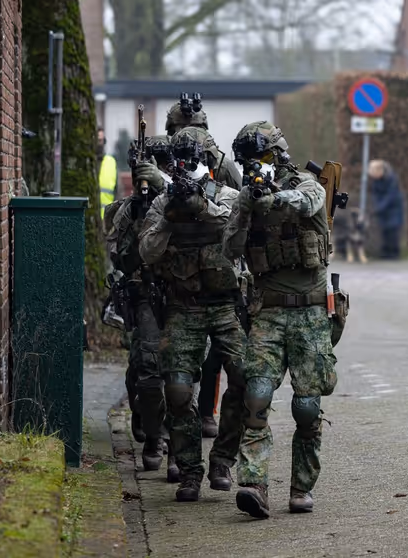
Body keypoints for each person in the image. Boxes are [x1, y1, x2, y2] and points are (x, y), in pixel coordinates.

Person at [224, 121, 338, 518]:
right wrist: (245, 206)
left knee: (306, 406)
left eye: (263, 157)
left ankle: (301, 487)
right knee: (256, 395)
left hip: (309, 311)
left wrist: (273, 198)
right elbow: (229, 249)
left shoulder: (307, 183)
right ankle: (253, 484)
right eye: (249, 161)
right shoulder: (248, 199)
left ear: (279, 154)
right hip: (268, 311)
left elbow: (308, 202)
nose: (256, 165)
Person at [138, 128, 247, 502]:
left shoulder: (226, 195)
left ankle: (223, 460)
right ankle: (188, 470)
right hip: (183, 305)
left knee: (245, 379)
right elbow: (147, 252)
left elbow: (234, 233)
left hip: (225, 305)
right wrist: (170, 217)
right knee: (178, 388)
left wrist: (202, 207)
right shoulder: (162, 202)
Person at [165, 101, 242, 438]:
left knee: (217, 356)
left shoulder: (220, 164)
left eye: (194, 129)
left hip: (216, 267)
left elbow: (239, 208)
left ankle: (207, 411)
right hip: (177, 270)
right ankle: (172, 422)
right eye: (180, 130)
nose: (188, 135)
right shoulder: (164, 158)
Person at [105, 136, 179, 482]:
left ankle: (178, 447)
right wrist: (140, 210)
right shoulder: (129, 208)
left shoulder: (186, 197)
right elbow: (120, 257)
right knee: (147, 371)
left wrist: (167, 194)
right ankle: (153, 433)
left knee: (181, 374)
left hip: (183, 294)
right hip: (146, 294)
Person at [368, 160, 405, 260]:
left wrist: (379, 207)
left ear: (380, 171)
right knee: (384, 230)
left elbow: (391, 196)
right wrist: (376, 206)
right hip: (383, 209)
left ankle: (394, 253)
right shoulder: (376, 180)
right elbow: (375, 194)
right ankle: (385, 252)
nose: (372, 176)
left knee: (392, 230)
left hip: (393, 208)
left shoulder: (392, 179)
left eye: (374, 173)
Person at [97, 127, 119, 220]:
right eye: (97, 140)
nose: (99, 143)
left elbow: (118, 192)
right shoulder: (86, 162)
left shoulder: (111, 162)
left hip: (106, 220)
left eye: (101, 140)